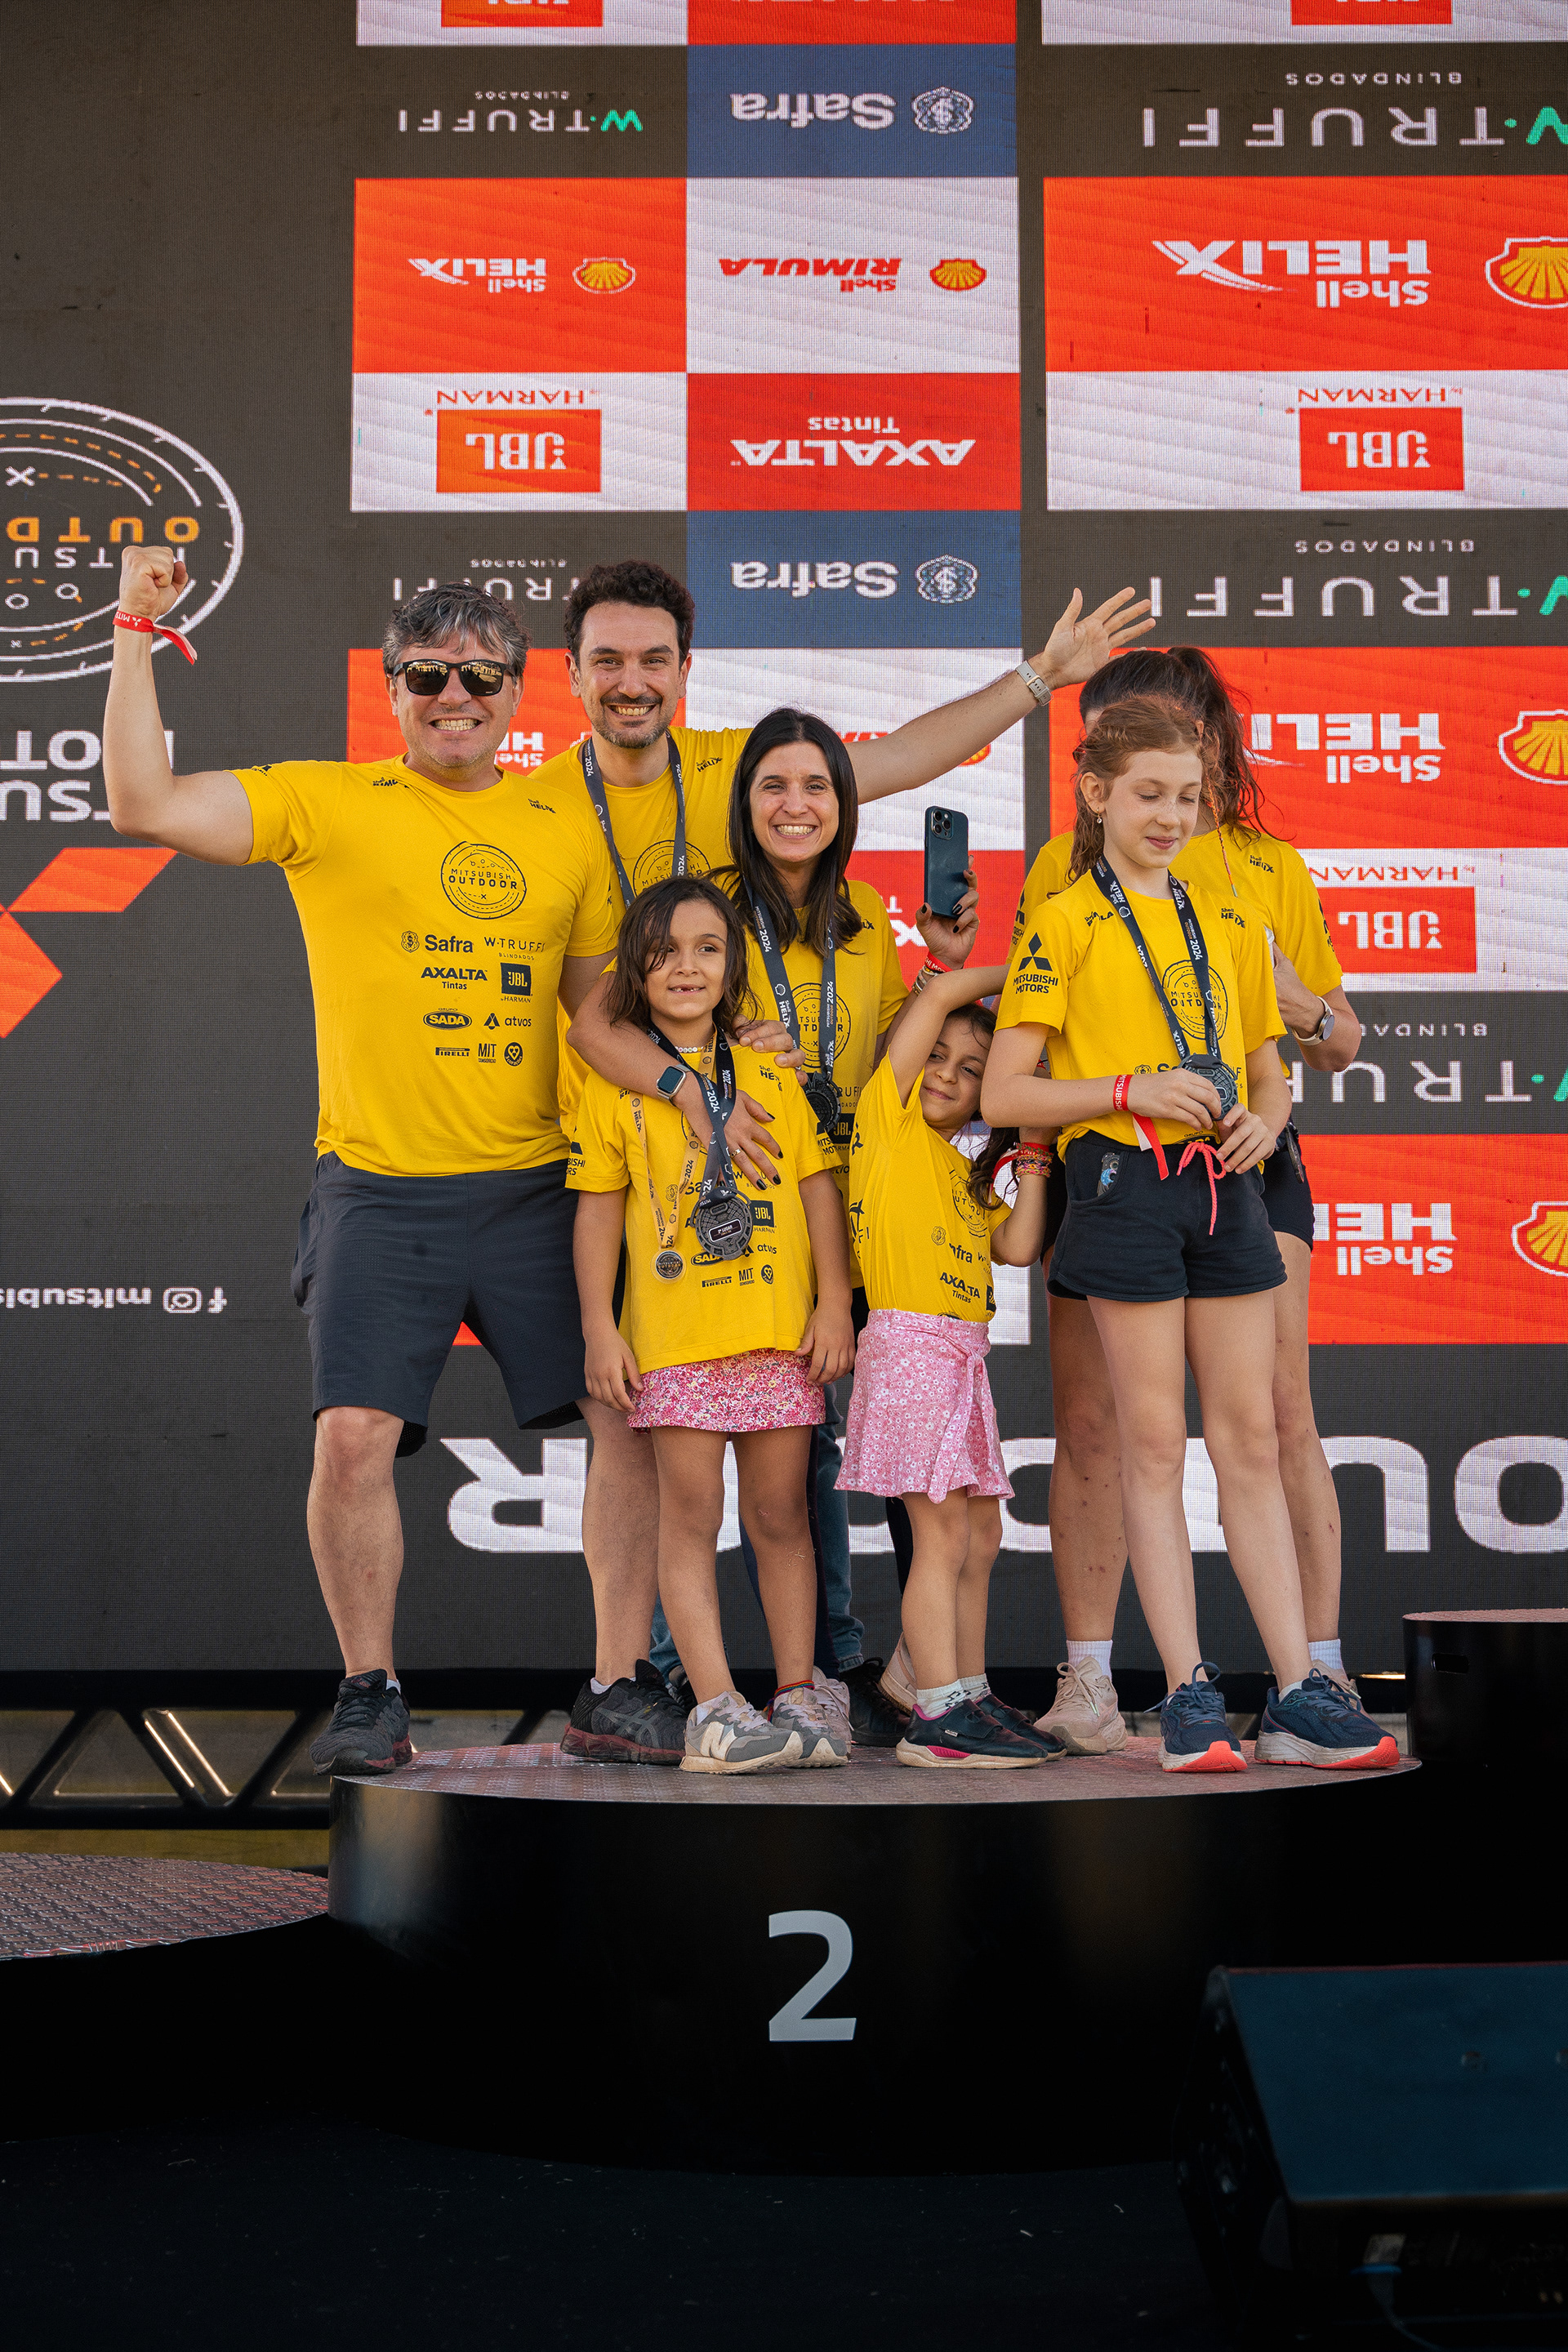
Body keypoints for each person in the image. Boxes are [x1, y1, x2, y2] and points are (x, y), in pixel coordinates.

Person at [101, 557, 688, 1775]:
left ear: (519, 691)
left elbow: (596, 1020)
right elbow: (141, 803)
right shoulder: (326, 801)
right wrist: (133, 629)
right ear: (392, 691)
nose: (455, 698)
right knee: (353, 1440)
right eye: (428, 678)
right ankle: (370, 1689)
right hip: (378, 1187)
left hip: (537, 1188)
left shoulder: (567, 832)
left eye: (481, 677)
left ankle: (616, 1684)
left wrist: (697, 1087)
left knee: (628, 1422)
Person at [557, 559, 1153, 1746]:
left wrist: (1039, 682)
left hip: (856, 1208)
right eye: (774, 787)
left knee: (857, 1461)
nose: (796, 804)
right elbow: (605, 1022)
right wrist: (711, 1064)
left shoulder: (863, 927)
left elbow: (894, 1044)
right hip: (745, 1219)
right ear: (741, 801)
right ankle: (722, 1687)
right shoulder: (706, 920)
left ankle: (873, 1679)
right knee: (740, 1471)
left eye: (818, 787)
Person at [981, 697, 1396, 1772]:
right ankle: (1187, 1694)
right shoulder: (1065, 920)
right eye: (1148, 795)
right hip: (1121, 1188)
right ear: (1096, 794)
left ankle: (1300, 1693)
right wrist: (1127, 1089)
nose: (1170, 817)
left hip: (1227, 1193)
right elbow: (1004, 1088)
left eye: (1186, 797)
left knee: (1250, 1438)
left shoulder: (1231, 923)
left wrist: (1266, 1116)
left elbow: (1269, 1072)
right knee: (1155, 1441)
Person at [569, 877, 857, 1772]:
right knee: (689, 1522)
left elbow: (818, 1189)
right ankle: (718, 1710)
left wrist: (835, 1301)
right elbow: (596, 1214)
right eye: (663, 952)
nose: (686, 967)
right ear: (634, 969)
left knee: (781, 1518)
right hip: (677, 1345)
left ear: (733, 967)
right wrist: (600, 1329)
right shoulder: (616, 1081)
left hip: (777, 1336)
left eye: (707, 948)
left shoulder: (772, 1068)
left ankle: (799, 1693)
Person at [836, 956, 1060, 1768]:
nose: (946, 1075)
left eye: (972, 1071)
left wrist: (1034, 1145)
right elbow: (935, 994)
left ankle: (968, 1692)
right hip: (909, 1350)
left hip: (961, 1361)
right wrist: (1034, 970)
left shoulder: (965, 1174)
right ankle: (937, 1713)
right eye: (937, 1056)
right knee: (940, 1538)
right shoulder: (885, 1122)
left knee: (980, 1534)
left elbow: (1019, 1245)